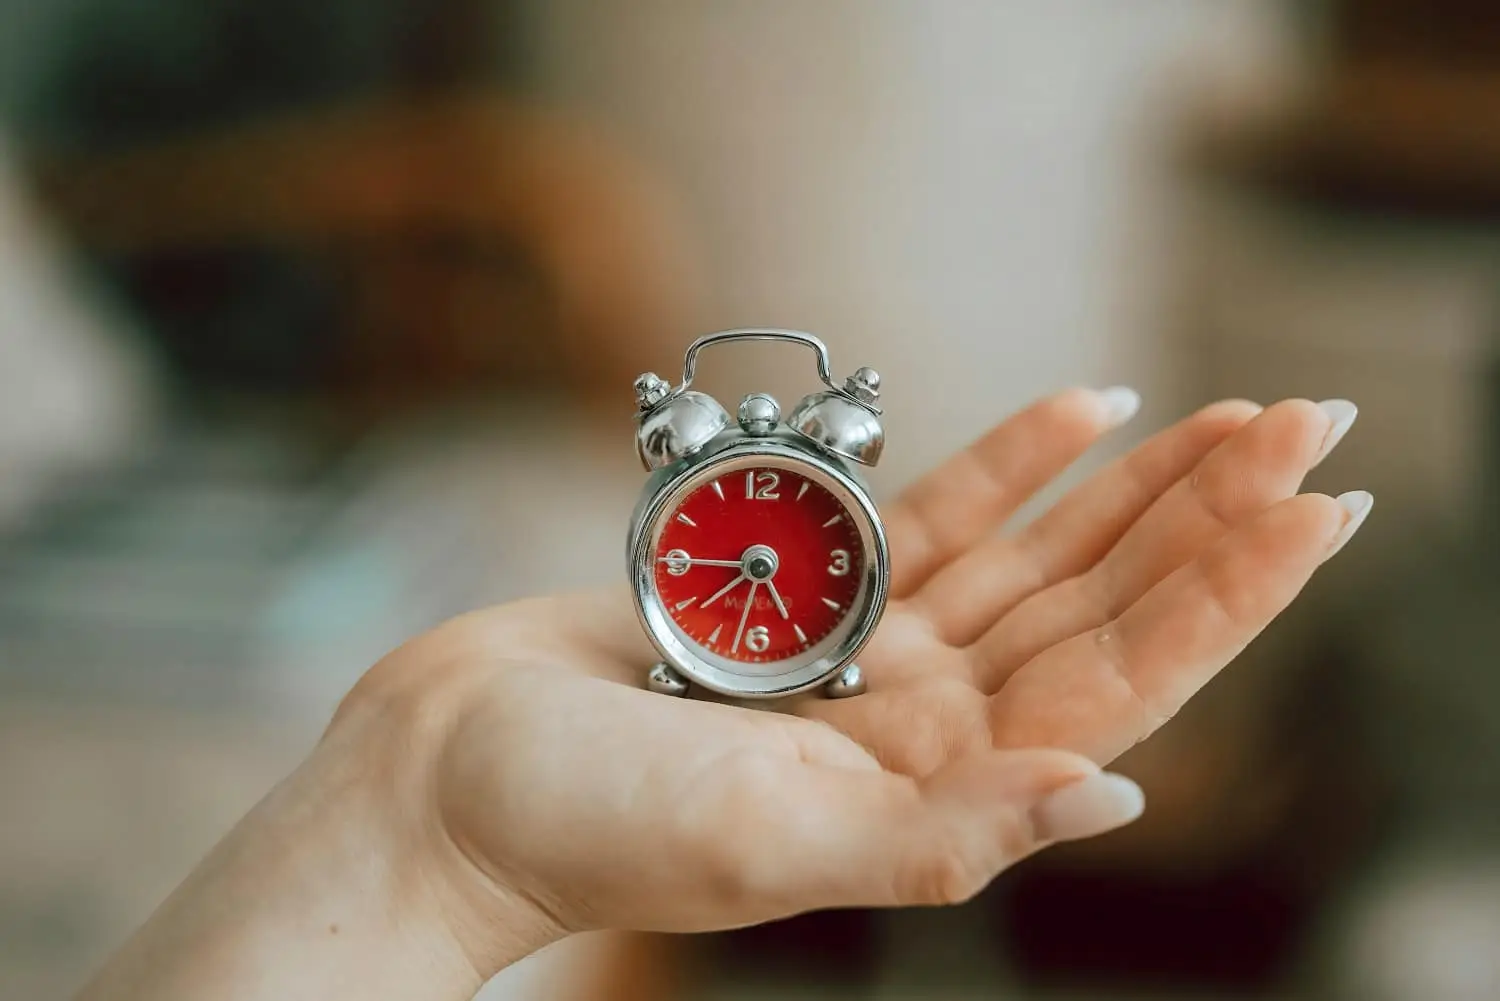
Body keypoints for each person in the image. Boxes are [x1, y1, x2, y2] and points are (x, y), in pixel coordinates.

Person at [73, 389, 1369, 1001]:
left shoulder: (811, 564)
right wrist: (422, 807)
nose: (758, 555)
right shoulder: (692, 553)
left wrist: (413, 830)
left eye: (781, 542)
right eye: (732, 547)